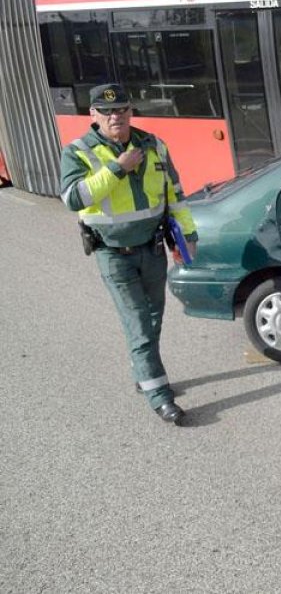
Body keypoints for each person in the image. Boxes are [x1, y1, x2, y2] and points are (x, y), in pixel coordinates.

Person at [59, 83, 196, 425]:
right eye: (106, 112)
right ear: (93, 114)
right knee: (138, 324)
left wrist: (187, 234)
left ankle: (144, 372)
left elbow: (174, 194)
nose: (115, 116)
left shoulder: (153, 146)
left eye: (121, 109)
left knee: (153, 319)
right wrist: (117, 168)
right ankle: (160, 396)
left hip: (152, 249)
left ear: (131, 111)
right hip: (113, 254)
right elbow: (73, 199)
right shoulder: (78, 151)